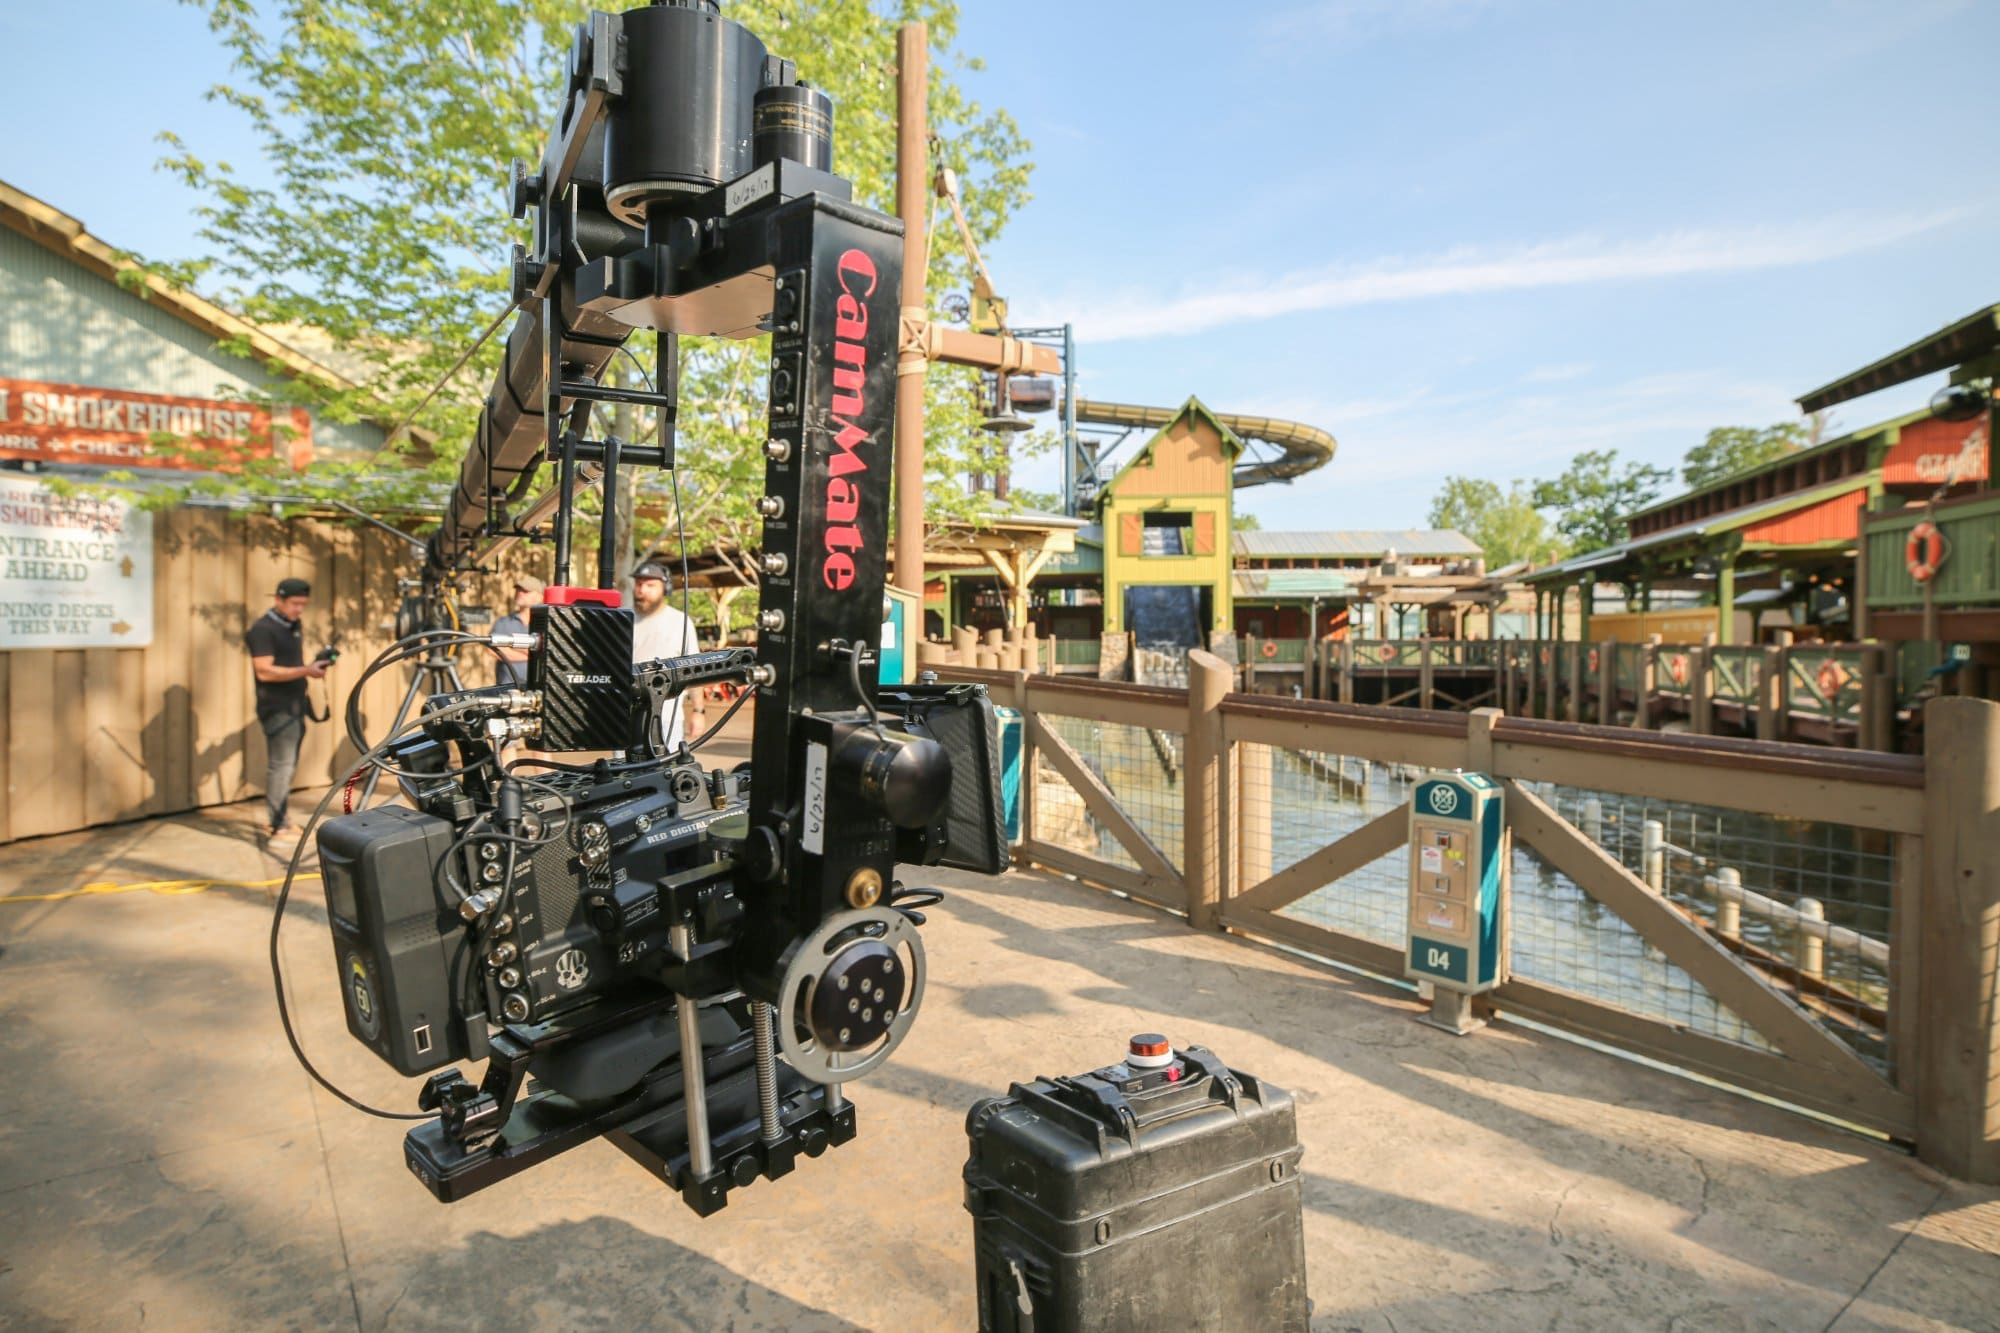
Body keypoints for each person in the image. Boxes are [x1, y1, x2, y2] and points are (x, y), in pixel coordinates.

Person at [246, 577, 327, 848]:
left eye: (303, 605)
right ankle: (278, 825)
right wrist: (306, 670)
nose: (299, 610)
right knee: (281, 766)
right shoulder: (263, 629)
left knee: (288, 765)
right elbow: (264, 670)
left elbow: (289, 663)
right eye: (294, 604)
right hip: (276, 709)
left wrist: (312, 667)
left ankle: (280, 818)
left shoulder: (292, 625)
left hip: (296, 705)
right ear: (278, 599)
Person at [630, 559, 701, 747]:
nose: (642, 590)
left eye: (650, 585)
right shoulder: (624, 619)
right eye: (639, 584)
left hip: (668, 719)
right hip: (626, 718)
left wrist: (698, 711)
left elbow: (694, 669)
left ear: (666, 588)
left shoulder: (680, 622)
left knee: (665, 772)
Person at [492, 573, 545, 687]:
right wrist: (532, 655)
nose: (520, 593)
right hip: (507, 690)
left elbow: (547, 651)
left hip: (537, 690)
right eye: (519, 590)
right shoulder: (504, 622)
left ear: (539, 596)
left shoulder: (545, 624)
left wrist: (510, 646)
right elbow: (493, 650)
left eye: (526, 591)